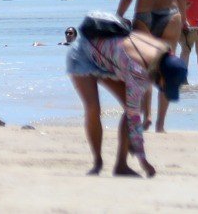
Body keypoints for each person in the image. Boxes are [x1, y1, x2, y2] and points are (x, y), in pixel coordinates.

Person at [67, 26, 187, 177]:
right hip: (82, 55)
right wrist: (143, 161)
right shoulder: (138, 70)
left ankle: (121, 165)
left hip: (107, 58)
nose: (164, 88)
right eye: (166, 85)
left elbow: (143, 91)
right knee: (93, 108)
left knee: (131, 107)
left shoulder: (162, 53)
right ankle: (98, 162)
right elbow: (134, 117)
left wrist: (148, 113)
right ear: (161, 76)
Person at [116, 0, 186, 131]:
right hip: (170, 17)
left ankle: (147, 116)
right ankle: (160, 125)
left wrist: (118, 17)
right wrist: (185, 21)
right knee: (166, 70)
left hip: (144, 17)